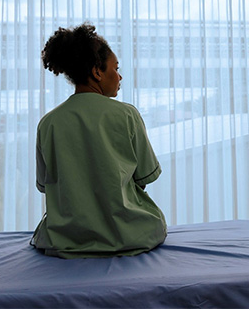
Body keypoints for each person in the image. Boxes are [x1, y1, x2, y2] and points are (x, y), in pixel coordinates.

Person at [31, 23, 167, 258]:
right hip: (128, 236)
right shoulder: (126, 115)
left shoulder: (48, 123)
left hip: (65, 239)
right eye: (115, 67)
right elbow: (145, 176)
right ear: (97, 71)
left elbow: (46, 185)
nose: (119, 75)